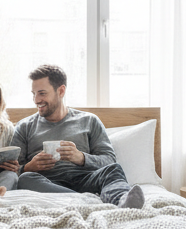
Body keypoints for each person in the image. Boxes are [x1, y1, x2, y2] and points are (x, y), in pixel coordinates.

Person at [13, 64, 145, 208]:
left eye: (42, 93)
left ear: (61, 91)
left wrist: (81, 158)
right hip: (48, 183)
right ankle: (84, 201)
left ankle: (123, 202)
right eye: (34, 93)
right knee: (26, 179)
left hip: (86, 180)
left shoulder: (89, 121)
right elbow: (11, 170)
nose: (36, 100)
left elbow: (109, 159)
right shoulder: (25, 126)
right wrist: (28, 168)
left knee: (113, 170)